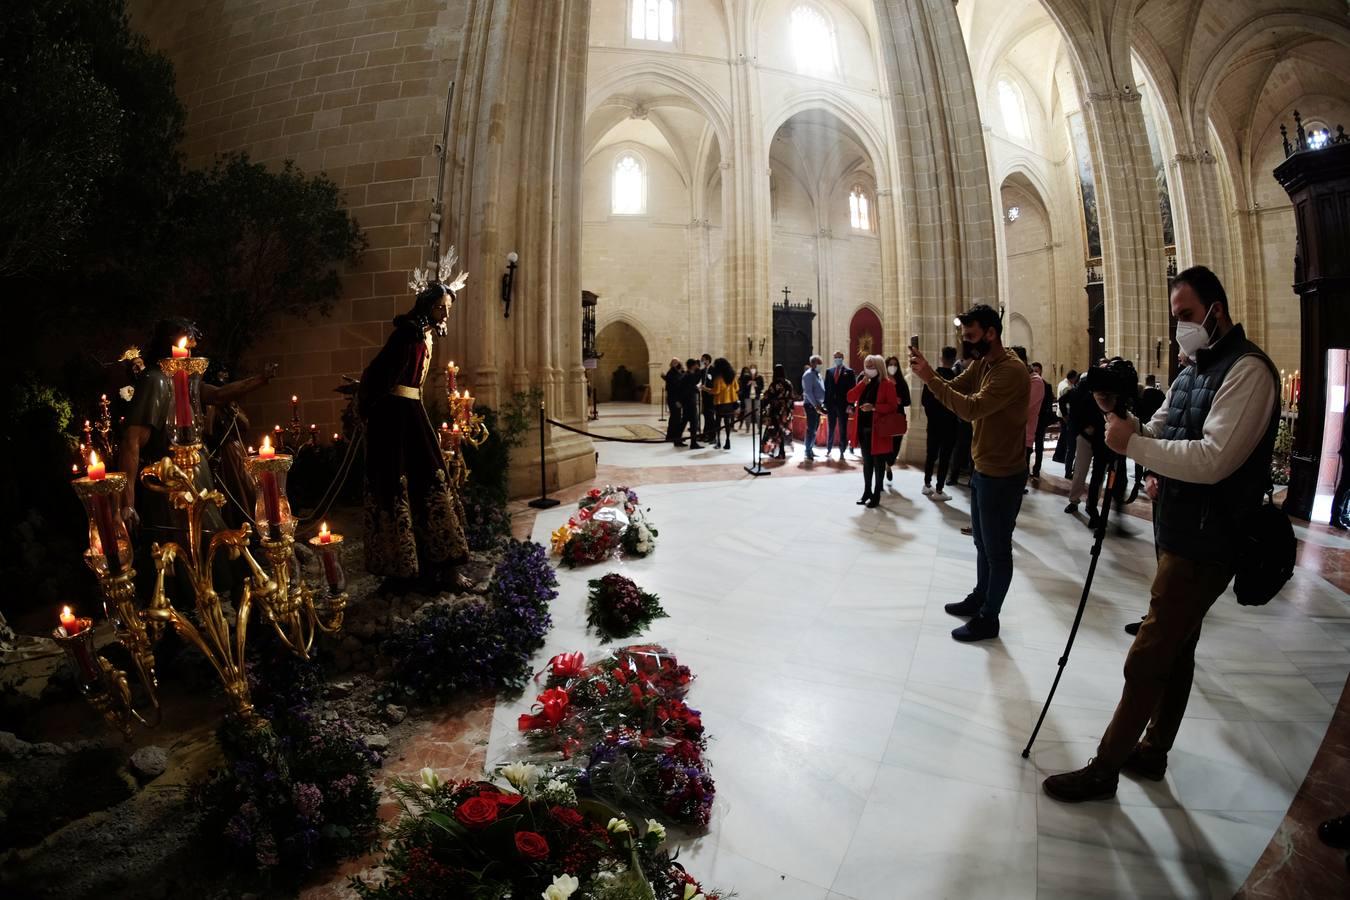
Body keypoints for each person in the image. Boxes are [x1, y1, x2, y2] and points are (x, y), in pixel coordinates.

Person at [1042, 265, 1280, 803]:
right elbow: (1160, 431)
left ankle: (1104, 767)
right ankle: (1153, 751)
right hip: (1177, 529)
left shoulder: (1248, 372)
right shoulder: (1194, 369)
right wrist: (1118, 414)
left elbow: (1215, 459)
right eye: (1176, 319)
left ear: (1216, 311)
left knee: (1149, 653)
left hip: (1209, 540)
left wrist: (1137, 448)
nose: (1181, 330)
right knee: (1179, 645)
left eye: (1187, 317)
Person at [910, 303, 1030, 642]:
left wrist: (930, 378)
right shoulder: (983, 363)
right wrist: (930, 373)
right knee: (981, 542)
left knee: (997, 549)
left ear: (991, 333)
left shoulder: (1012, 371)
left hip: (1004, 475)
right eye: (964, 337)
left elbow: (971, 408)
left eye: (972, 336)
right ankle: (980, 597)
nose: (967, 344)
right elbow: (958, 386)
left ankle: (989, 619)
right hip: (983, 468)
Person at [358, 276, 471, 591]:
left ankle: (438, 564)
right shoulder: (407, 335)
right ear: (428, 306)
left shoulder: (421, 332)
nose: (445, 315)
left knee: (429, 481)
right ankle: (405, 568)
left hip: (411, 413)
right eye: (441, 308)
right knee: (407, 481)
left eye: (447, 309)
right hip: (395, 419)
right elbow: (379, 372)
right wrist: (365, 399)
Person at [848, 354, 902, 507]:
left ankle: (876, 495)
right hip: (864, 430)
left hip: (879, 432)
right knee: (867, 464)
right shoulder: (864, 382)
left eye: (872, 366)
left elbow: (892, 407)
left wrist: (874, 407)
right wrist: (861, 384)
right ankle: (866, 492)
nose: (869, 369)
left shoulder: (887, 384)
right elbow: (850, 398)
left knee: (879, 465)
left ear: (879, 367)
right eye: (867, 366)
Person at [1064, 372, 1109, 528]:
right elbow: (1072, 409)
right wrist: (1082, 428)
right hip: (1085, 437)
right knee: (1080, 471)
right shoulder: (1080, 391)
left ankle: (1092, 505)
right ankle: (1074, 500)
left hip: (1102, 439)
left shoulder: (1106, 391)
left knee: (1098, 475)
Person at [921, 346, 959, 501]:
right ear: (954, 359)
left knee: (931, 454)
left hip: (934, 423)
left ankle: (927, 484)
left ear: (941, 358)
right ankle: (939, 489)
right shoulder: (957, 379)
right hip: (950, 425)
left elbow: (924, 401)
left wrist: (932, 416)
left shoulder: (932, 378)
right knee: (944, 457)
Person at [947, 344, 976, 486]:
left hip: (974, 413)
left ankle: (972, 476)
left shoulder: (977, 369)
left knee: (973, 447)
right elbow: (950, 390)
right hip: (960, 415)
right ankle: (953, 475)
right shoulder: (956, 370)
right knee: (959, 447)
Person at [883, 354, 912, 483]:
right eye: (890, 365)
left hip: (897, 418)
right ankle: (883, 466)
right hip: (884, 417)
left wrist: (899, 400)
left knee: (896, 445)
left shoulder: (901, 381)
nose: (892, 367)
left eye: (895, 365)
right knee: (884, 445)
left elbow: (907, 401)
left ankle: (889, 464)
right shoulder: (882, 381)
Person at [823, 350, 856, 461]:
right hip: (832, 405)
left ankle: (842, 450)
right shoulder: (829, 371)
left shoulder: (849, 372)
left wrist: (851, 404)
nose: (837, 359)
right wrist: (825, 403)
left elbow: (852, 389)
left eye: (839, 357)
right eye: (836, 357)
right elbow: (826, 389)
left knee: (843, 428)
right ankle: (829, 448)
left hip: (843, 405)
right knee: (831, 427)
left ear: (842, 358)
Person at [761, 364, 795, 460]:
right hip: (786, 412)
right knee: (784, 431)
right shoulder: (788, 383)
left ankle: (779, 452)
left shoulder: (775, 384)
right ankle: (781, 451)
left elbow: (768, 396)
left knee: (776, 432)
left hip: (777, 411)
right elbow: (792, 396)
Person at [1054, 370, 1081, 477]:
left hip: (1065, 416)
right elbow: (1063, 401)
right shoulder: (1069, 389)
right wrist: (1066, 415)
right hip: (1068, 418)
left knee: (1065, 439)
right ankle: (1063, 460)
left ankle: (1061, 458)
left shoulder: (1063, 383)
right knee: (1069, 443)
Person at [1030, 362, 1054, 479]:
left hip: (1040, 420)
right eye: (1033, 370)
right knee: (1027, 446)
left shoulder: (1047, 386)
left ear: (1041, 371)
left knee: (1039, 446)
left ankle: (1036, 470)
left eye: (1037, 370)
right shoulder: (1029, 383)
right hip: (1030, 420)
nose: (1035, 372)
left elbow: (1048, 403)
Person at [710, 357, 740, 450]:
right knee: (727, 423)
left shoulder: (718, 378)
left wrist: (706, 389)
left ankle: (718, 441)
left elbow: (716, 391)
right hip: (730, 403)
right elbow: (737, 388)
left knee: (718, 422)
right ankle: (727, 441)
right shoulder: (732, 376)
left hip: (720, 403)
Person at [801, 355, 826, 460]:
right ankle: (807, 450)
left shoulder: (818, 374)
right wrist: (815, 405)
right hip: (811, 405)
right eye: (818, 363)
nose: (820, 365)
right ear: (812, 364)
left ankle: (810, 448)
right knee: (811, 429)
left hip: (818, 405)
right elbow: (808, 392)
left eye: (821, 363)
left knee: (815, 428)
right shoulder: (808, 375)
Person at [676, 358, 704, 449]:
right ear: (693, 365)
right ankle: (693, 443)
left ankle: (677, 440)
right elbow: (694, 383)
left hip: (686, 402)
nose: (697, 366)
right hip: (690, 402)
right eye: (696, 364)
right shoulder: (689, 375)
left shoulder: (686, 375)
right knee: (694, 423)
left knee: (684, 421)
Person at [663, 358, 685, 444]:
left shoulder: (677, 372)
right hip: (674, 399)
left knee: (676, 418)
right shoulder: (671, 373)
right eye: (675, 363)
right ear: (672, 364)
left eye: (678, 362)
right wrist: (677, 401)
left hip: (676, 399)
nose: (678, 364)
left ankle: (672, 436)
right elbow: (673, 388)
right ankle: (673, 437)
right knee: (675, 418)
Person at [699, 352, 716, 442]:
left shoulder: (713, 370)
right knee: (706, 415)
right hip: (704, 395)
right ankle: (706, 434)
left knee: (710, 416)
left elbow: (715, 383)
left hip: (711, 395)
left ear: (708, 360)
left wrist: (708, 388)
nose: (702, 361)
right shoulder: (702, 371)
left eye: (703, 360)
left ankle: (712, 436)